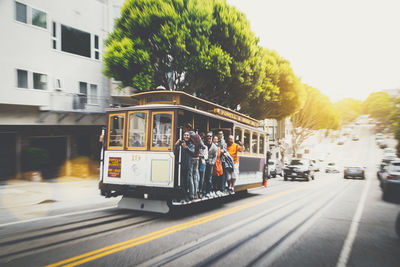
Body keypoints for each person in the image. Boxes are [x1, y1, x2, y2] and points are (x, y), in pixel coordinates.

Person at [174, 132, 191, 201]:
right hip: (179, 165)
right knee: (179, 182)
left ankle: (185, 196)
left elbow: (192, 152)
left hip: (187, 165)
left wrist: (186, 147)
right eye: (185, 135)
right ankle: (179, 196)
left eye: (187, 135)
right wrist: (175, 145)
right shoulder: (179, 145)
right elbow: (174, 153)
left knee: (186, 182)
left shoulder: (190, 144)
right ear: (183, 136)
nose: (186, 136)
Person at [204, 132, 217, 197]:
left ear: (212, 137)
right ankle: (203, 192)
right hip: (204, 163)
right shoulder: (204, 144)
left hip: (210, 163)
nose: (209, 137)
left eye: (210, 136)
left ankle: (208, 191)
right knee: (203, 177)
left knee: (209, 178)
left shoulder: (214, 146)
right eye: (208, 136)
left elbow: (215, 156)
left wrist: (212, 162)